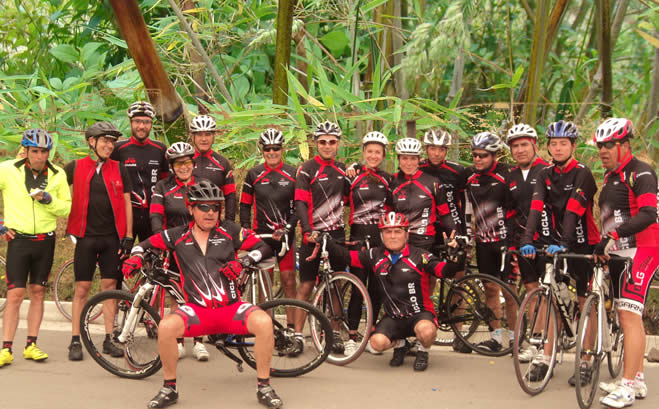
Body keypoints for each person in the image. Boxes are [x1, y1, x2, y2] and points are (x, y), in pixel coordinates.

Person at [122, 180, 281, 409]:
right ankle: (169, 388)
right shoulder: (177, 235)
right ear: (191, 209)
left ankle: (264, 387)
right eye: (204, 207)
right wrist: (136, 256)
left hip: (231, 309)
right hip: (197, 312)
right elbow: (143, 245)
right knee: (166, 327)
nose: (210, 213)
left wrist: (244, 262)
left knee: (264, 323)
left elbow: (264, 247)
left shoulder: (230, 230)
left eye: (215, 207)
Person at [323, 212, 461, 371]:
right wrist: (327, 242)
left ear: (406, 234)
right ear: (382, 235)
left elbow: (445, 271)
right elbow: (346, 256)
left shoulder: (420, 255)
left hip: (420, 315)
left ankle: (423, 351)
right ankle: (400, 344)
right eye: (388, 232)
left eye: (398, 231)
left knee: (427, 331)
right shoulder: (375, 255)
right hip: (393, 318)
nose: (393, 236)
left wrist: (455, 258)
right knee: (375, 344)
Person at [520, 120, 600, 382]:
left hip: (583, 242)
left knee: (584, 300)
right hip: (557, 241)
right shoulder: (544, 174)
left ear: (573, 146)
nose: (558, 148)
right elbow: (535, 208)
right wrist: (526, 239)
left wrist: (566, 242)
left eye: (563, 143)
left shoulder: (583, 173)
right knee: (551, 297)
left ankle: (586, 359)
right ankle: (546, 356)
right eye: (553, 143)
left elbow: (573, 210)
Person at [592, 118, 658, 408]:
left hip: (644, 248)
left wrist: (614, 235)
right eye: (600, 146)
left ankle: (627, 387)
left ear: (625, 145)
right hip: (620, 251)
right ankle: (637, 379)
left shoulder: (641, 172)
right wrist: (606, 243)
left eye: (609, 145)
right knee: (627, 315)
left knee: (629, 315)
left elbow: (648, 213)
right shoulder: (611, 176)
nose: (603, 151)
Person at [0, 129, 71, 367]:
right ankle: (6, 348)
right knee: (15, 294)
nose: (40, 156)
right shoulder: (8, 169)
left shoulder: (58, 174)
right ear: (26, 151)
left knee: (38, 292)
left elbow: (66, 208)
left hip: (45, 241)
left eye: (44, 152)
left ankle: (31, 345)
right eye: (35, 151)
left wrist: (48, 199)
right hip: (19, 240)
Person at [64, 121, 134, 361]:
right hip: (85, 237)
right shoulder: (75, 167)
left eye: (112, 142)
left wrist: (128, 236)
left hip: (111, 239)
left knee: (109, 288)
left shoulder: (119, 168)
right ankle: (75, 339)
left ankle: (108, 339)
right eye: (105, 140)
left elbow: (127, 203)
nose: (110, 145)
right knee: (82, 288)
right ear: (91, 142)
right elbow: (53, 183)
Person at [292, 120, 349, 355]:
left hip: (336, 234)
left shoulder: (343, 170)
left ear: (338, 144)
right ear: (316, 143)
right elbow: (300, 203)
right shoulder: (306, 169)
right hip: (312, 234)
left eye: (332, 142)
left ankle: (334, 333)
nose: (327, 146)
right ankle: (297, 335)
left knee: (335, 284)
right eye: (323, 142)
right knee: (305, 285)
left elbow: (352, 198)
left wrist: (355, 170)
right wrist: (307, 231)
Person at [150, 141, 209, 361]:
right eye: (178, 164)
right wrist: (162, 240)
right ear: (172, 166)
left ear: (193, 163)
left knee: (200, 296)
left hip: (200, 247)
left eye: (187, 163)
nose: (183, 167)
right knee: (177, 297)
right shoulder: (163, 187)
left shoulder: (203, 184)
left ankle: (199, 342)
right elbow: (155, 215)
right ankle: (179, 341)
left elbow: (212, 216)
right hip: (174, 249)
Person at [463, 131, 517, 353]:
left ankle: (514, 339)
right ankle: (495, 338)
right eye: (475, 155)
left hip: (505, 242)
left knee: (510, 292)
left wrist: (514, 241)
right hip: (483, 243)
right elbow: (467, 210)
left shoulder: (507, 175)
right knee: (491, 290)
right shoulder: (470, 178)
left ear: (495, 155)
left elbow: (517, 210)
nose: (477, 159)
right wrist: (468, 239)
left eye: (483, 155)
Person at [240, 128, 298, 325]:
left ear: (283, 149)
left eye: (276, 148)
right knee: (265, 282)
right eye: (267, 149)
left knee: (289, 281)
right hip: (262, 237)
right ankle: (266, 327)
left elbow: (299, 206)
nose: (272, 152)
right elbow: (245, 204)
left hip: (286, 235)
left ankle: (291, 328)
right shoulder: (254, 174)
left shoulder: (293, 173)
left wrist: (288, 228)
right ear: (262, 150)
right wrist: (246, 229)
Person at [504, 123, 551, 361]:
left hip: (548, 241)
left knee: (548, 294)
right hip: (524, 243)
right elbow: (510, 212)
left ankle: (548, 344)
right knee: (532, 291)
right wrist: (513, 243)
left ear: (534, 145)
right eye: (515, 146)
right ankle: (536, 340)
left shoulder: (548, 170)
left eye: (524, 145)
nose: (520, 150)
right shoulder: (511, 176)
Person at [343, 131, 392, 355]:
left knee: (377, 289)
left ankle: (371, 334)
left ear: (383, 155)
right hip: (358, 239)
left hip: (381, 241)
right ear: (363, 152)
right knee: (357, 288)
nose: (373, 156)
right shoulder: (352, 176)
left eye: (377, 152)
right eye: (369, 151)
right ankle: (352, 336)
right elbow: (341, 201)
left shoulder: (388, 179)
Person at [111, 101, 168, 242]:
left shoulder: (160, 149)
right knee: (121, 253)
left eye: (146, 122)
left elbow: (166, 182)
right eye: (137, 121)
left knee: (151, 254)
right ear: (130, 122)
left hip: (152, 214)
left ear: (151, 124)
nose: (141, 126)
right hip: (126, 214)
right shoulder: (118, 149)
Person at [390, 137, 456, 251]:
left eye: (413, 158)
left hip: (425, 241)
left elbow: (445, 214)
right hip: (398, 240)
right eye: (404, 158)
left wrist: (456, 236)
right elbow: (387, 212)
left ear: (419, 160)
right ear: (398, 159)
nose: (409, 163)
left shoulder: (432, 182)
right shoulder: (392, 181)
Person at [419, 128, 467, 238]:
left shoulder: (457, 171)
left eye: (442, 149)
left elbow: (465, 202)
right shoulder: (418, 168)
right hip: (425, 224)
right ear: (426, 149)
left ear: (447, 150)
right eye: (432, 148)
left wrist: (465, 230)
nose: (437, 154)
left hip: (453, 222)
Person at [189, 114, 237, 221]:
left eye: (208, 134)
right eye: (199, 135)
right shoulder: (184, 162)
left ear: (214, 136)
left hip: (213, 221)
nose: (204, 139)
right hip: (186, 223)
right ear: (193, 137)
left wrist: (229, 223)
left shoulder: (223, 163)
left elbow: (230, 197)